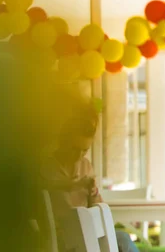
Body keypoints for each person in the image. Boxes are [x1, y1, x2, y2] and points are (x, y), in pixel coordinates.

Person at [40, 108, 139, 252]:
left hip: (89, 231)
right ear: (64, 141)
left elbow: (98, 209)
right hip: (63, 236)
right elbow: (46, 189)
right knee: (120, 239)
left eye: (84, 150)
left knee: (122, 238)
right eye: (74, 149)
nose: (79, 155)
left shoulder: (86, 166)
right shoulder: (48, 167)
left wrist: (94, 194)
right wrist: (74, 185)